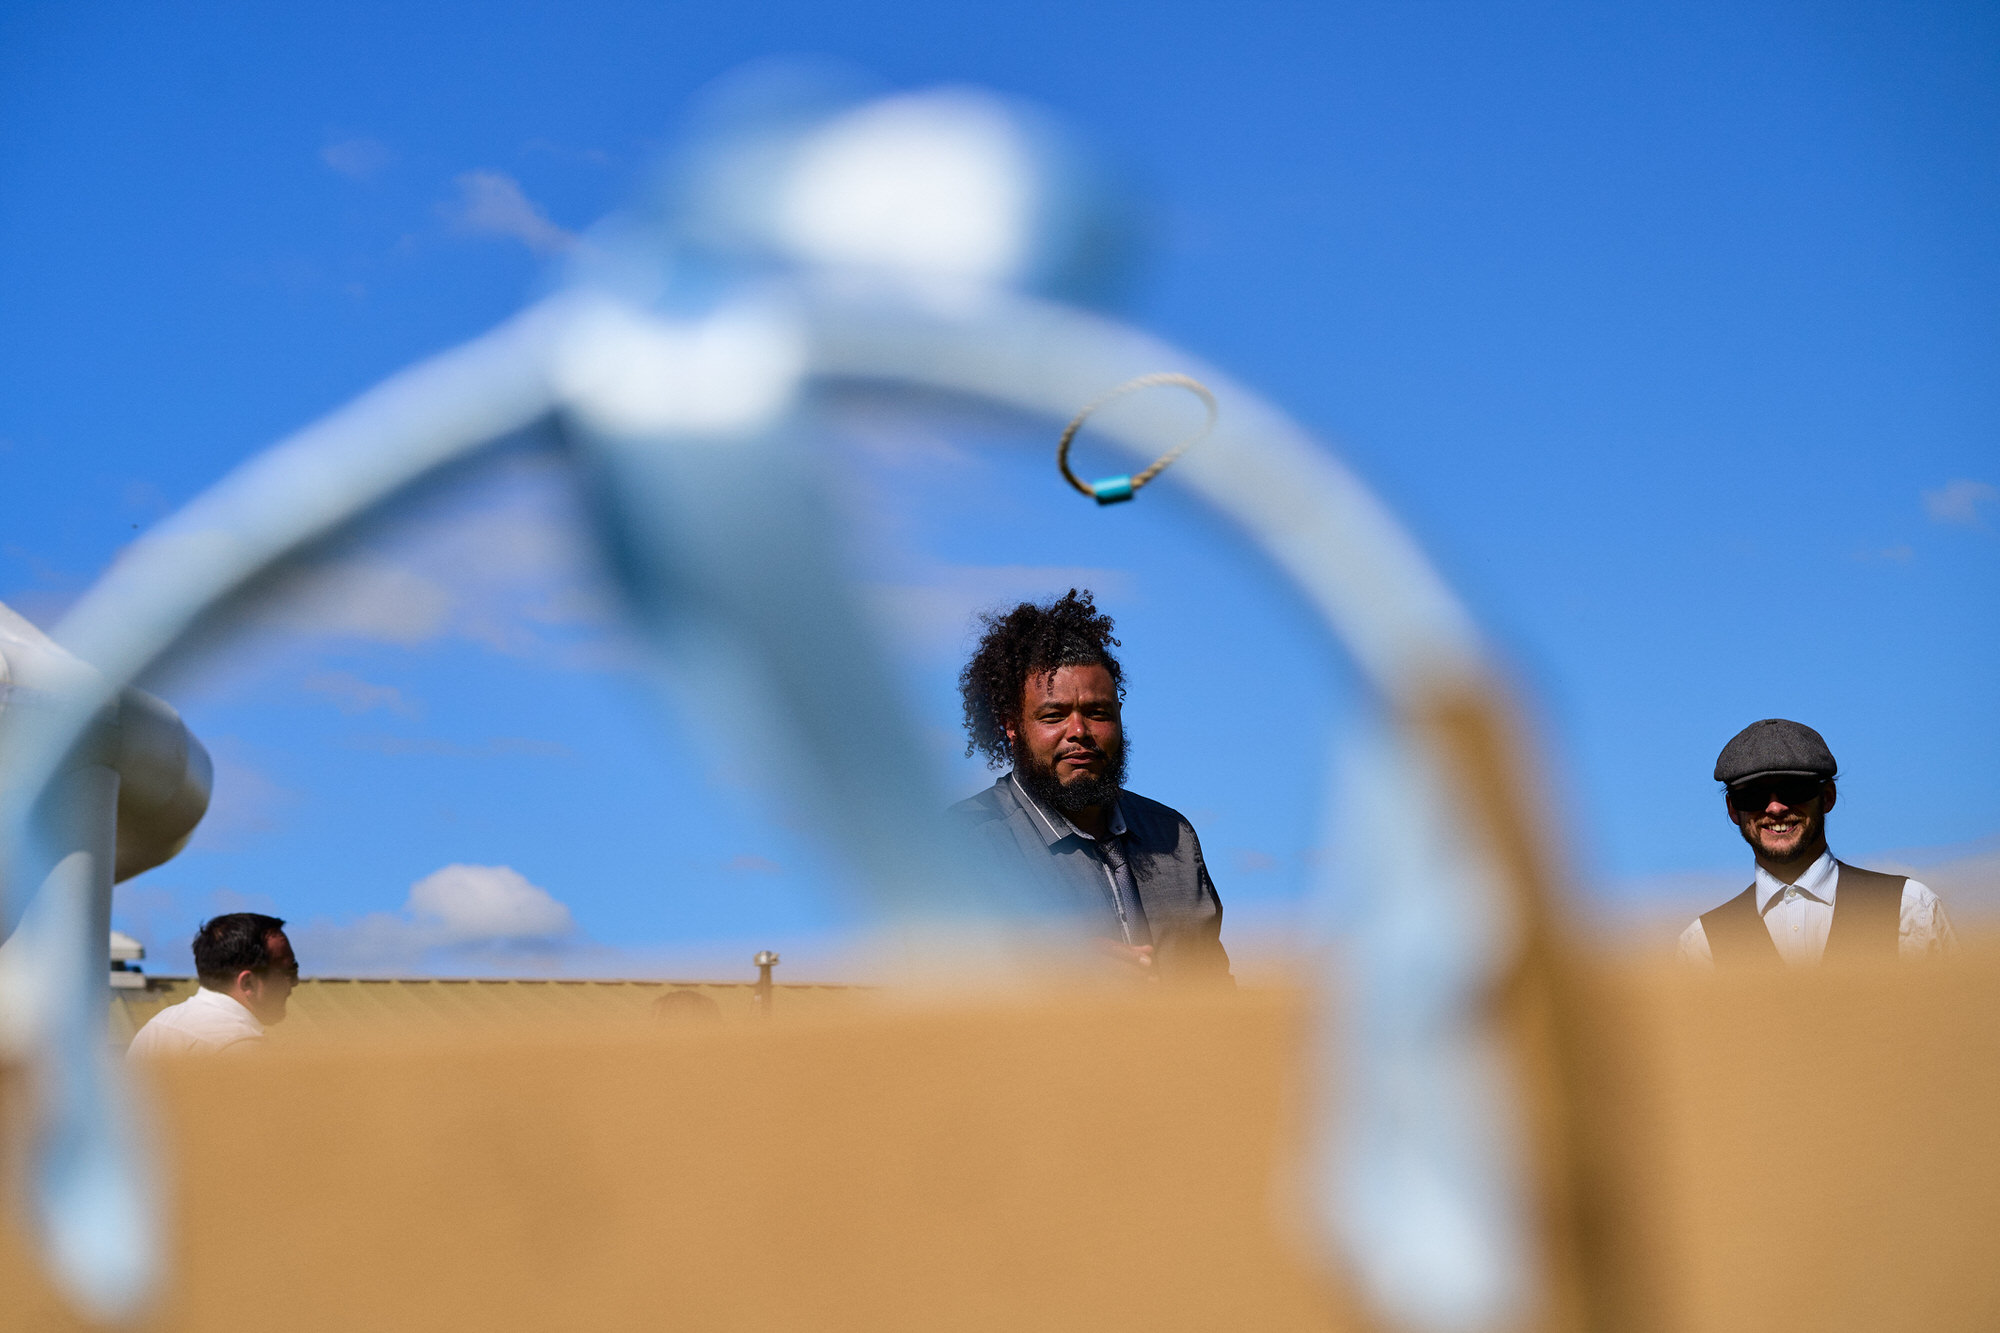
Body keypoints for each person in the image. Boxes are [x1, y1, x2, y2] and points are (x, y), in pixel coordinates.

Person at [947, 590, 1231, 983]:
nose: (1079, 731)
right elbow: (931, 992)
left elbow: (1216, 993)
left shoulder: (1173, 837)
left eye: (1097, 713)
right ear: (1011, 727)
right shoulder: (965, 842)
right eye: (1053, 715)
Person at [1677, 719, 1953, 967]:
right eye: (1753, 795)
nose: (1775, 808)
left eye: (1793, 789)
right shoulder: (1702, 945)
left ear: (1828, 796)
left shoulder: (1911, 910)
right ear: (1733, 809)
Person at [127, 913, 300, 1057]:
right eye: (289, 971)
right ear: (248, 983)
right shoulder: (241, 1048)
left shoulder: (158, 1027)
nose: (294, 982)